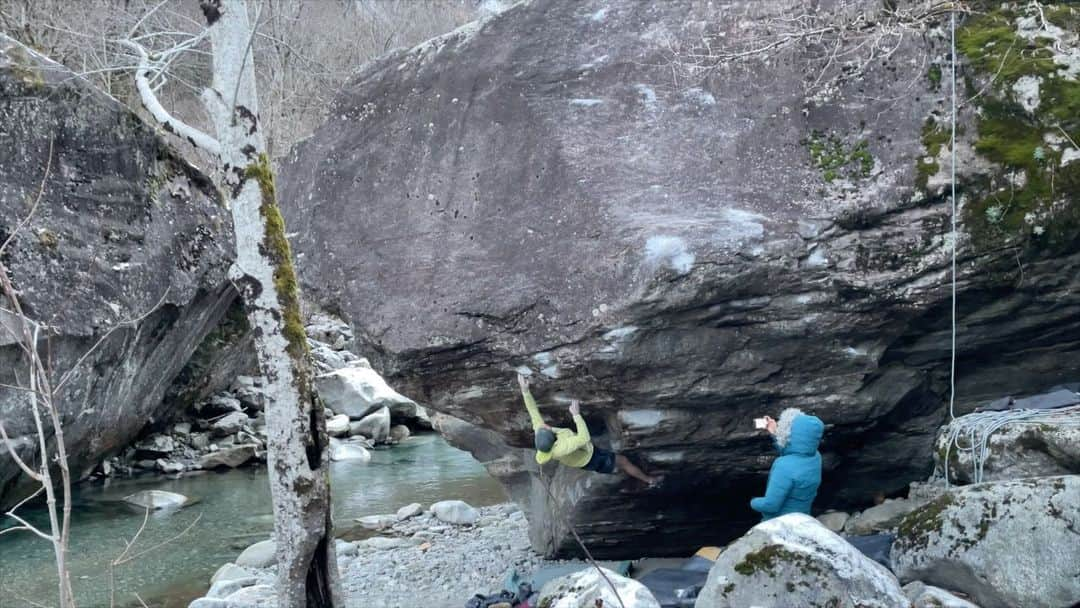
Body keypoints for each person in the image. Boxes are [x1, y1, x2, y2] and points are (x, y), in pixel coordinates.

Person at [517, 373, 660, 486]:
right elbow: (583, 438)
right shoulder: (561, 448)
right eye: (547, 428)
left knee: (612, 454)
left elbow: (533, 412)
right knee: (623, 461)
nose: (545, 424)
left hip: (583, 452)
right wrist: (577, 415)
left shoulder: (541, 432)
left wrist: (525, 390)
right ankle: (649, 480)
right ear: (552, 438)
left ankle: (618, 468)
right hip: (591, 459)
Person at [750, 407, 824, 520]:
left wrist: (753, 501)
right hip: (803, 517)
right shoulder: (815, 457)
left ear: (789, 435)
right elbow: (794, 450)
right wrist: (775, 433)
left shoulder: (783, 466)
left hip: (780, 523)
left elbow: (771, 506)